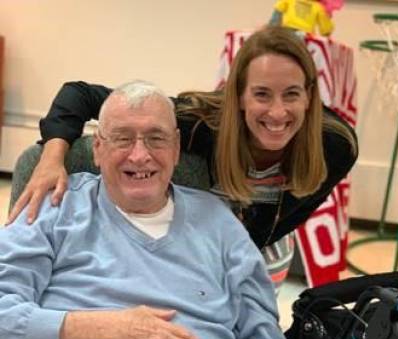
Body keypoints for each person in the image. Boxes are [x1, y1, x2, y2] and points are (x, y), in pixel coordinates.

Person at [0, 81, 290, 339]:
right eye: (123, 138)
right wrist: (106, 329)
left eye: (156, 138)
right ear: (98, 148)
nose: (140, 155)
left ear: (177, 147)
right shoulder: (53, 209)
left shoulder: (219, 223)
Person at [8, 26, 357, 253]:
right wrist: (52, 158)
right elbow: (80, 95)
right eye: (262, 95)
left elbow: (293, 214)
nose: (278, 113)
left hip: (257, 247)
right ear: (238, 95)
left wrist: (242, 248)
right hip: (197, 245)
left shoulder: (337, 147)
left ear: (310, 96)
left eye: (291, 94)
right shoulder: (199, 122)